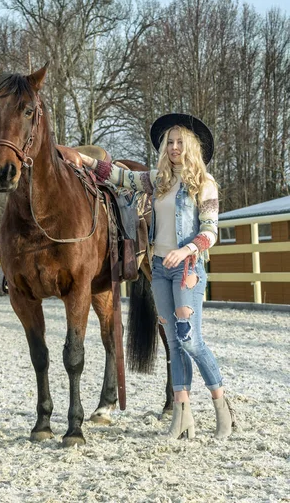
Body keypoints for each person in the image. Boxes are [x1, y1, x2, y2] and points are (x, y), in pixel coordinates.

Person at [79, 113, 234, 440]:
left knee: (191, 340)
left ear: (191, 146)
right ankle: (182, 416)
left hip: (187, 271)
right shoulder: (157, 180)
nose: (174, 147)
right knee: (175, 345)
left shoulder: (204, 184)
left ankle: (223, 407)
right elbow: (119, 177)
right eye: (170, 142)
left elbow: (211, 233)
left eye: (180, 142)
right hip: (160, 270)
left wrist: (187, 249)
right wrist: (82, 160)